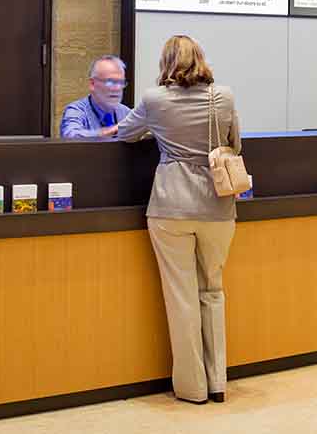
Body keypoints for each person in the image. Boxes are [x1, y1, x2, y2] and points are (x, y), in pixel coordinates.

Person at [117, 35, 241, 404]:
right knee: (213, 291)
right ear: (201, 58)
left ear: (165, 62)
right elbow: (236, 144)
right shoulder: (225, 96)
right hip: (218, 208)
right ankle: (218, 383)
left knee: (181, 298)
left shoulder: (156, 100)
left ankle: (192, 388)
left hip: (170, 206)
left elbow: (126, 133)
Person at [59, 55, 131, 138]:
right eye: (110, 82)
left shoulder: (125, 112)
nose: (117, 88)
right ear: (92, 84)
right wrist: (113, 130)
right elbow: (70, 136)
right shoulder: (77, 110)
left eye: (121, 82)